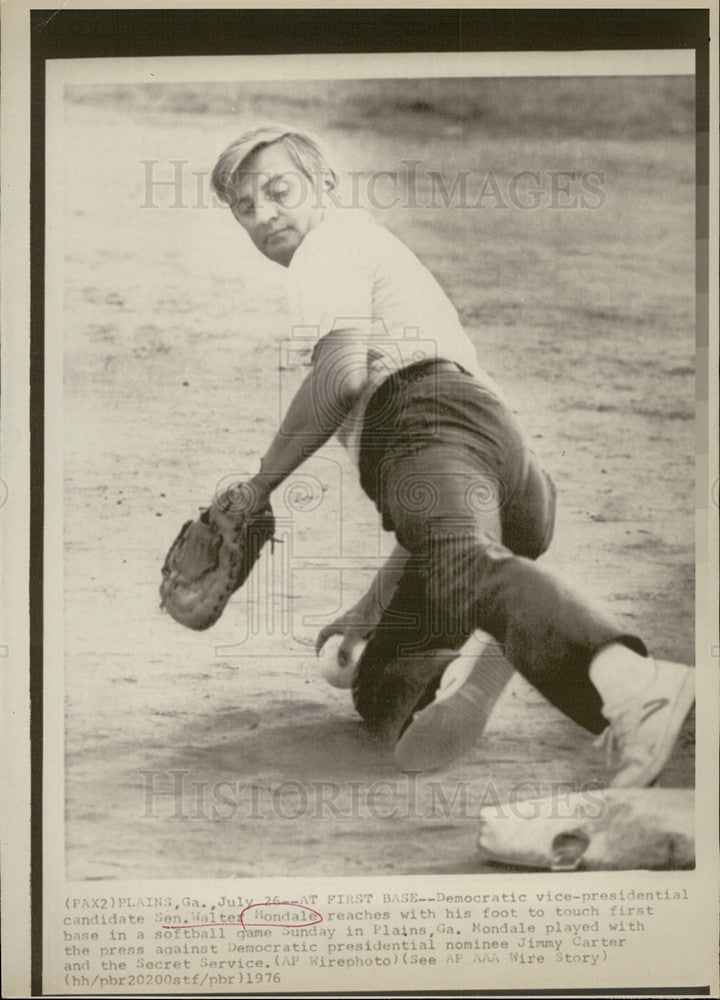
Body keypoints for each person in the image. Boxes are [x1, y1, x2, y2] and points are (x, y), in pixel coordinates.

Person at [208, 123, 694, 784]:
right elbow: (436, 493)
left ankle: (636, 685)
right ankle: (489, 649)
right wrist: (372, 606)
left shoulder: (329, 244)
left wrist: (258, 487)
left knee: (463, 565)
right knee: (384, 678)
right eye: (245, 207)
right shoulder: (366, 251)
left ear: (324, 184)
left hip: (432, 421)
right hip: (501, 468)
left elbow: (341, 377)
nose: (263, 213)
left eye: (277, 190)